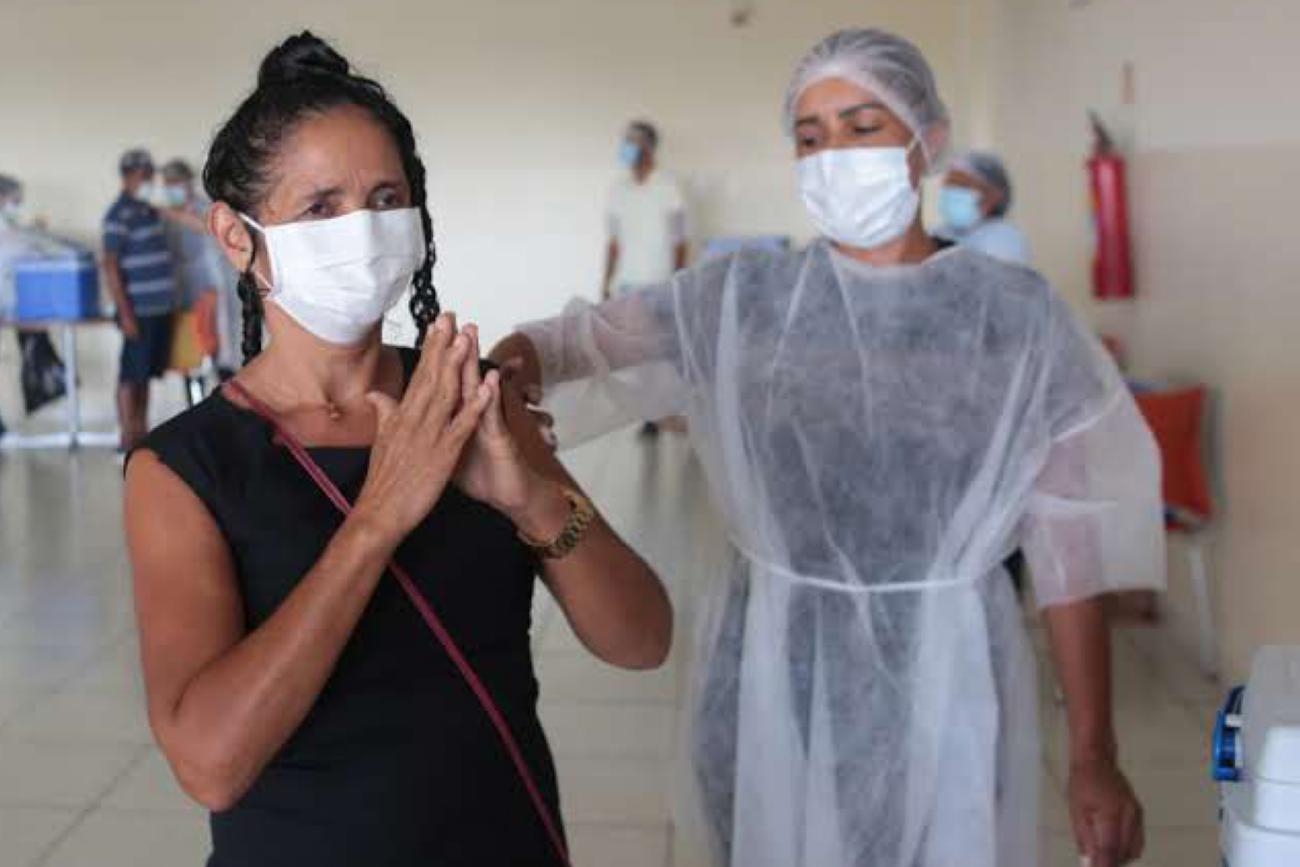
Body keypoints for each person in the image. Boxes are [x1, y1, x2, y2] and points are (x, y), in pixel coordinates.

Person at [492, 28, 1163, 867]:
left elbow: (1070, 547)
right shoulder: (746, 301)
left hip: (950, 676)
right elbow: (573, 343)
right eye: (810, 137)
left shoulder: (1012, 318)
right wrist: (495, 374)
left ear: (928, 141)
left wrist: (1094, 752)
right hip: (770, 672)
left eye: (863, 127)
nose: (834, 155)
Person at [123, 33, 671, 867]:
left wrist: (531, 500)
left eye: (386, 199)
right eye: (321, 207)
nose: (364, 231)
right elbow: (210, 765)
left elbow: (642, 639)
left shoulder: (471, 400)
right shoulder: (185, 468)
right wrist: (377, 519)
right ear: (236, 236)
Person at [602, 121, 689, 436]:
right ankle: (650, 417)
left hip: (661, 282)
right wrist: (606, 282)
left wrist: (678, 281)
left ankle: (681, 410)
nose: (627, 147)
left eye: (633, 141)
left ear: (649, 146)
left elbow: (680, 240)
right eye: (625, 140)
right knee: (639, 356)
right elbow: (614, 242)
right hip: (628, 283)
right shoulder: (618, 191)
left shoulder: (669, 187)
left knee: (670, 351)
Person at [103, 148, 177, 451]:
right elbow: (110, 265)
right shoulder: (118, 214)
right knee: (130, 375)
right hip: (139, 310)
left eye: (150, 175)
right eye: (143, 175)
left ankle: (141, 433)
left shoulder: (149, 210)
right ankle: (126, 436)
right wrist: (126, 314)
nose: (149, 181)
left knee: (145, 374)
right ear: (128, 176)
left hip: (161, 308)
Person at [159, 158, 236, 397]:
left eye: (175, 182)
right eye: (167, 183)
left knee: (221, 350)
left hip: (214, 289)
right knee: (191, 355)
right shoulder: (166, 217)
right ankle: (195, 402)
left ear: (188, 182)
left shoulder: (206, 208)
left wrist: (175, 214)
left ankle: (230, 403)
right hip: (184, 292)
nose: (171, 188)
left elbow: (207, 227)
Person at [935, 150, 1031, 265]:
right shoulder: (941, 232)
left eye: (963, 186)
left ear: (994, 195)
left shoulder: (1004, 240)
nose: (952, 193)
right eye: (949, 185)